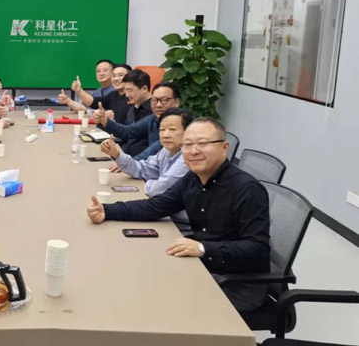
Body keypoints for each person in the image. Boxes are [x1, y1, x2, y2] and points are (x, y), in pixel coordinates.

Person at [87, 118, 270, 313]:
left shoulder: (247, 190)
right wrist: (107, 210)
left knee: (155, 304)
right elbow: (157, 206)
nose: (194, 151)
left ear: (224, 148)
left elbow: (258, 249)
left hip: (235, 284)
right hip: (200, 267)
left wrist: (203, 248)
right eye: (188, 145)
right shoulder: (193, 178)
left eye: (203, 143)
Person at [100, 108, 193, 233]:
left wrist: (150, 182)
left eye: (172, 130)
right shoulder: (166, 151)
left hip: (180, 227)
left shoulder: (187, 158)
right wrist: (116, 154)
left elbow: (158, 189)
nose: (166, 134)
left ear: (188, 133)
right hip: (164, 217)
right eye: (162, 129)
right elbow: (141, 169)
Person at [95, 82, 180, 165]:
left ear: (177, 102)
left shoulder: (181, 123)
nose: (158, 105)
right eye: (154, 100)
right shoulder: (153, 118)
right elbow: (128, 131)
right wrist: (104, 120)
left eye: (164, 100)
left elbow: (155, 149)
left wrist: (127, 163)